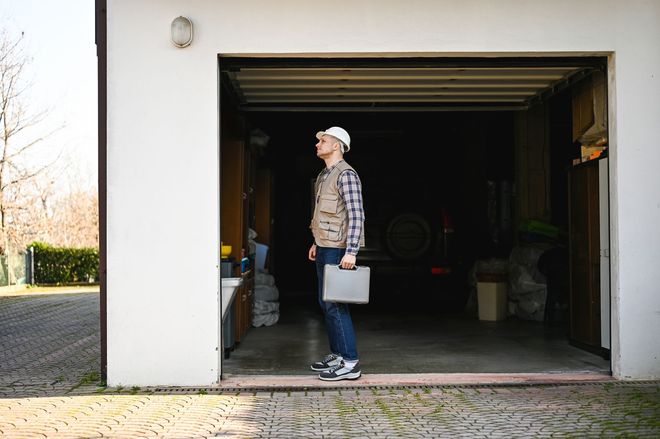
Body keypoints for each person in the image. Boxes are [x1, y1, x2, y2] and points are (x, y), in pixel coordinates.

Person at [308, 126, 365, 381]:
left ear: (337, 146)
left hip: (339, 249)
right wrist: (315, 242)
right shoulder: (323, 175)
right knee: (325, 303)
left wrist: (351, 251)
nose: (318, 144)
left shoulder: (346, 175)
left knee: (335, 304)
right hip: (324, 245)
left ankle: (351, 363)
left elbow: (356, 214)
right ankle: (339, 355)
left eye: (324, 140)